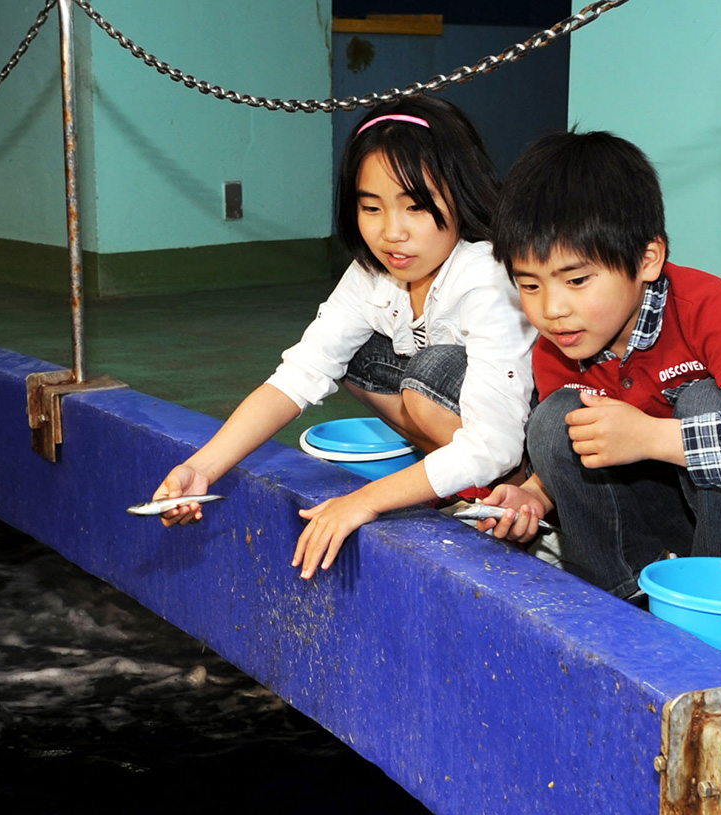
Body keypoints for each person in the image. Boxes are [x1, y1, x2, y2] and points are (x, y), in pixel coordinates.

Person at [152, 97, 536, 579]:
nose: (391, 233)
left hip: (524, 434)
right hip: (458, 414)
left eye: (415, 206)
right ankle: (455, 482)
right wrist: (203, 468)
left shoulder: (486, 275)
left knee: (427, 377)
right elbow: (302, 372)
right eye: (371, 207)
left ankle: (516, 498)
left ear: (460, 193)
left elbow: (494, 441)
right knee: (358, 355)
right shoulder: (372, 274)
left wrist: (364, 501)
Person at [477, 130, 721, 601]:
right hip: (669, 488)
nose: (552, 309)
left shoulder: (713, 310)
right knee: (556, 422)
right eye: (530, 286)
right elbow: (580, 454)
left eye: (576, 279)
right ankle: (620, 601)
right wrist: (536, 492)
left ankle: (713, 604)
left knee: (702, 397)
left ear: (648, 258)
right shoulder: (558, 346)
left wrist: (650, 437)